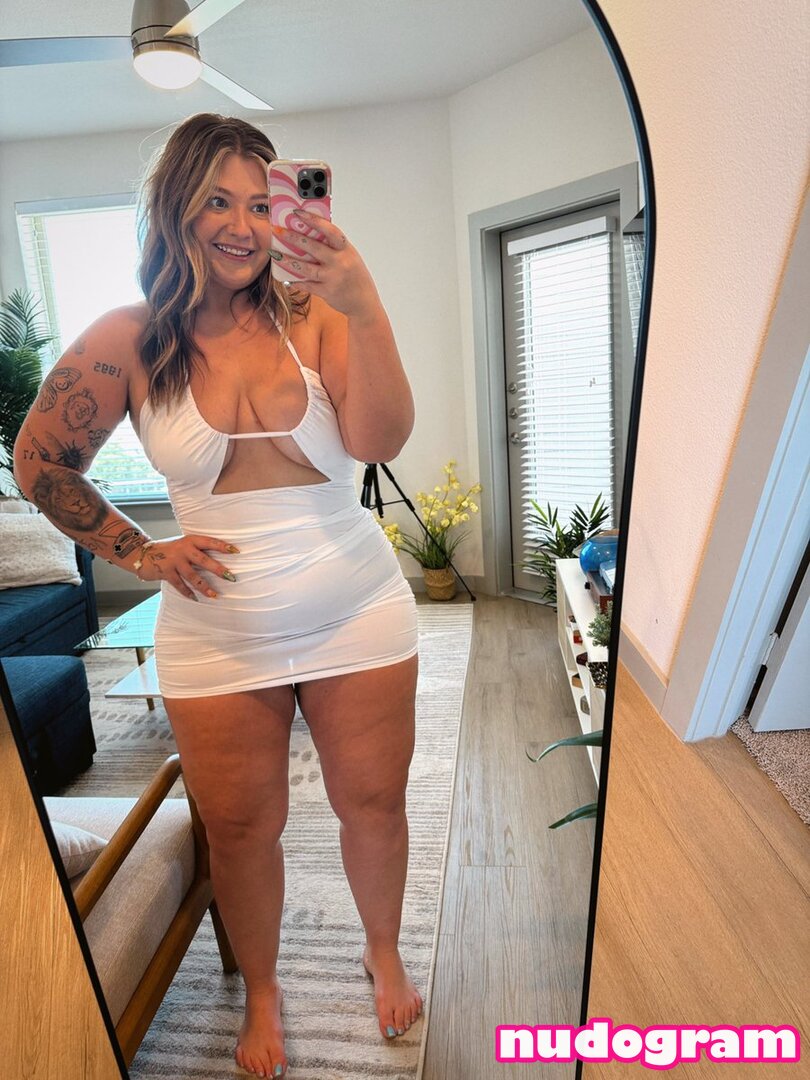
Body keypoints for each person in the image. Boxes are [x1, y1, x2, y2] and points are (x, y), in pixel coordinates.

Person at [14, 113, 423, 1079]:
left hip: (358, 610)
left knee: (374, 802)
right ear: (175, 210)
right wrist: (142, 552)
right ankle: (265, 988)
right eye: (216, 201)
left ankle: (383, 949)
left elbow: (378, 442)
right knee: (240, 827)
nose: (242, 226)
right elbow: (39, 461)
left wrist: (364, 304)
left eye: (257, 202)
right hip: (217, 636)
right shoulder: (128, 337)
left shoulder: (317, 312)